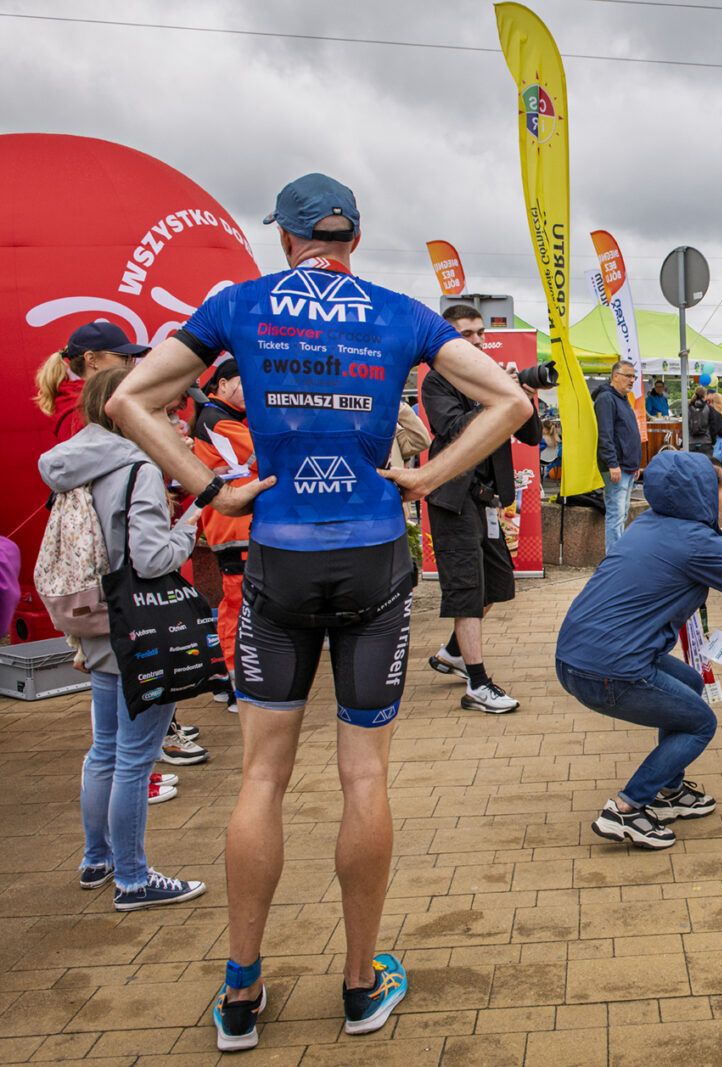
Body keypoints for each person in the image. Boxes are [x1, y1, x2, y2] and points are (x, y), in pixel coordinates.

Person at [105, 173, 532, 1050]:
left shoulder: (241, 304)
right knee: (363, 777)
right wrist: (428, 475)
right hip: (374, 557)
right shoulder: (400, 312)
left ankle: (241, 992)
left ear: (286, 239)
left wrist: (211, 488)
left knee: (261, 777)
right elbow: (514, 402)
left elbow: (126, 400)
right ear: (354, 240)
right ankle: (359, 986)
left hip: (279, 557)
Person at [555, 451, 722, 848]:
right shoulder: (698, 544)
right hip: (610, 670)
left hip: (574, 656)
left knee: (689, 683)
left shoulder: (647, 522)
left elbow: (682, 554)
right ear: (704, 495)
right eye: (720, 492)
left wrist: (717, 541)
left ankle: (669, 791)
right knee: (700, 723)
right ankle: (627, 808)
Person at [38, 367, 209, 911]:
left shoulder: (74, 462)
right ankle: (133, 880)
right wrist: (192, 523)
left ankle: (98, 859)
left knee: (105, 752)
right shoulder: (139, 468)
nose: (172, 419)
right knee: (135, 760)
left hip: (93, 622)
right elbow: (153, 559)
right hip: (138, 628)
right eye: (163, 409)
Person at [422, 304, 543, 714]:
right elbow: (454, 429)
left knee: (496, 584)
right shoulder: (437, 380)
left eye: (479, 333)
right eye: (466, 334)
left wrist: (522, 396)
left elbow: (531, 435)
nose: (476, 341)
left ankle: (454, 652)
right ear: (447, 337)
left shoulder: (491, 376)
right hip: (453, 498)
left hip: (487, 500)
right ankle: (477, 684)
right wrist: (496, 397)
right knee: (467, 591)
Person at [191, 358, 253, 715]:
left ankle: (226, 680)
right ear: (223, 384)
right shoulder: (218, 420)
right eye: (244, 380)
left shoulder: (220, 417)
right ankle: (235, 685)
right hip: (234, 529)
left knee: (236, 607)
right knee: (240, 609)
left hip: (234, 527)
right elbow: (265, 455)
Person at [34, 322, 150, 443]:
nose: (130, 365)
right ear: (91, 359)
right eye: (124, 357)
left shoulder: (95, 399)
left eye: (132, 358)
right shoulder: (79, 408)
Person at [593, 360, 642, 550]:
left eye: (634, 377)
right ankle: (613, 558)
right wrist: (612, 464)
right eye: (628, 376)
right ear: (615, 376)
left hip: (627, 466)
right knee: (616, 514)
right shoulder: (606, 398)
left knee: (622, 514)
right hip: (617, 467)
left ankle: (617, 555)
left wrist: (635, 464)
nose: (632, 380)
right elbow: (605, 434)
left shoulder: (622, 398)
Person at [686, 386, 714, 459]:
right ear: (705, 395)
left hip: (691, 442)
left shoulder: (688, 407)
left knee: (691, 464)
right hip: (705, 441)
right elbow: (712, 425)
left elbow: (685, 425)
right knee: (705, 463)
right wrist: (713, 441)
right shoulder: (708, 408)